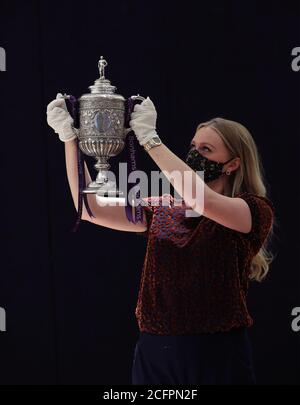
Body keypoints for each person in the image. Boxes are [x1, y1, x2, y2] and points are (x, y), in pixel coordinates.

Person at [47, 94, 276, 385]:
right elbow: (90, 209)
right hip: (155, 351)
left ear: (232, 164)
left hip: (215, 352)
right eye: (193, 147)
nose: (195, 155)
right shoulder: (164, 208)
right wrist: (70, 139)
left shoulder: (254, 209)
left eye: (206, 149)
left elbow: (201, 200)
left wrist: (151, 140)